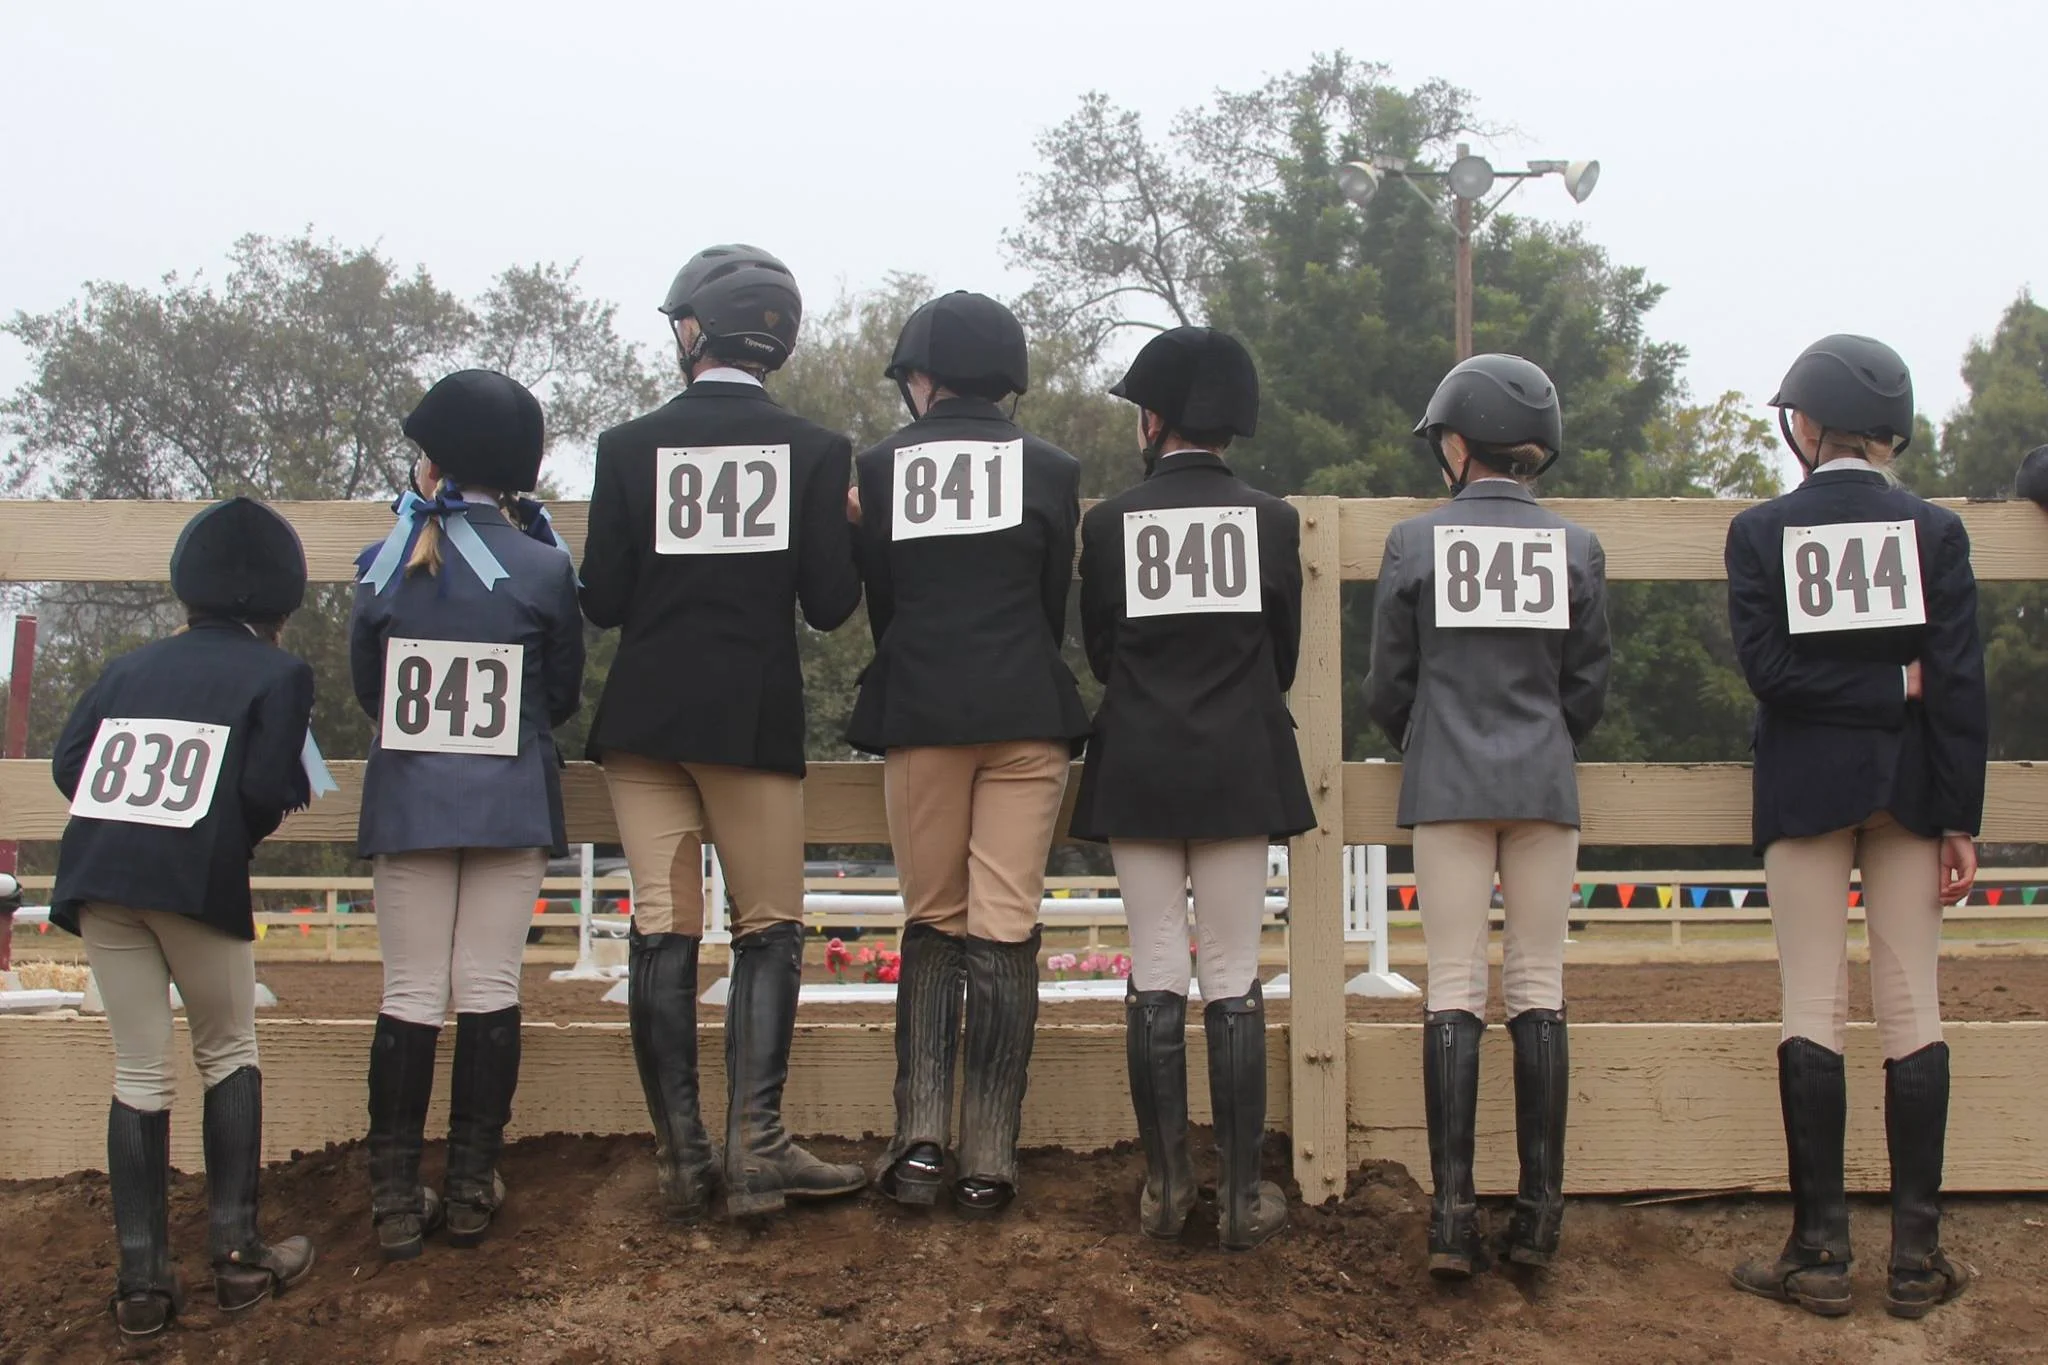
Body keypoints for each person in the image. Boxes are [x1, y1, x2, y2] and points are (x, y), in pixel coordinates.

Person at [580, 243, 865, 1220]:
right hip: (747, 722)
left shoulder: (623, 448)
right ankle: (758, 1149)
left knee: (663, 932)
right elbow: (830, 608)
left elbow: (604, 597)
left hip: (644, 720)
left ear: (698, 330)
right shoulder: (818, 452)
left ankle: (681, 1157)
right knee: (767, 929)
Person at [1725, 334, 1986, 1319]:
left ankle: (1819, 1253)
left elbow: (1770, 674)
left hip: (1803, 784)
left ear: (1805, 424)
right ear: (1887, 430)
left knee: (1810, 1000)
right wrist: (1955, 809)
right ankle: (1915, 1262)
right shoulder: (1936, 531)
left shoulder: (1758, 532)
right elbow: (1956, 686)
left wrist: (1855, 689)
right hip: (1912, 785)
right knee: (1912, 999)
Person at [1363, 354, 1611, 1279]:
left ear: (1458, 444)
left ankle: (1452, 1216)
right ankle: (1541, 1215)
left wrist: (1427, 731)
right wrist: (1543, 732)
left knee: (1453, 985)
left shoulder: (1414, 542)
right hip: (1544, 782)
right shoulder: (1577, 547)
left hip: (1448, 782)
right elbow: (1587, 684)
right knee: (1540, 984)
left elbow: (1389, 682)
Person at [49, 497, 319, 1338]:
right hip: (195, 878)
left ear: (189, 589)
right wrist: (218, 832)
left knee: (138, 1070)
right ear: (278, 602)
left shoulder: (129, 666)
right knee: (229, 1048)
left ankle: (141, 1283)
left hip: (98, 874)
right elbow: (267, 787)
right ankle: (238, 1259)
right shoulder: (280, 674)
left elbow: (69, 764)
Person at [1069, 326, 1313, 1251]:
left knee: (1156, 967)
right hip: (1237, 759)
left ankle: (1166, 1189)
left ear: (1156, 419)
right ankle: (1244, 1196)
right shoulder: (1274, 522)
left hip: (1137, 757)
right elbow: (1281, 652)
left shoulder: (1107, 524)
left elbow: (1100, 648)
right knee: (1235, 973)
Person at [848, 291, 1091, 1214]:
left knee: (933, 918)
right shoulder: (1055, 467)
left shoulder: (880, 464)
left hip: (921, 704)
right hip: (1027, 707)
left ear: (923, 378)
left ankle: (918, 1143)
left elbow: (885, 604)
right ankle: (992, 1154)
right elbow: (1048, 605)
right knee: (1006, 924)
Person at [351, 370, 585, 1258]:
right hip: (508, 797)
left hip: (410, 795)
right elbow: (559, 692)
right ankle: (472, 1180)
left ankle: (392, 1193)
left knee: (410, 991)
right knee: (489, 983)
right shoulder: (542, 563)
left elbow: (366, 684)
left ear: (437, 461)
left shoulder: (385, 563)